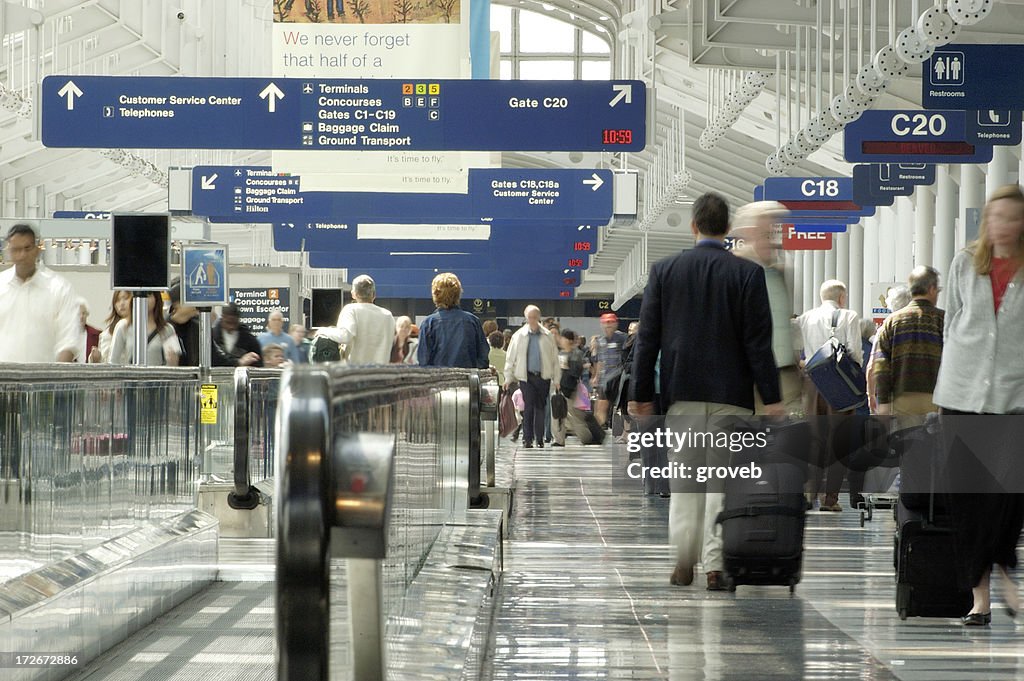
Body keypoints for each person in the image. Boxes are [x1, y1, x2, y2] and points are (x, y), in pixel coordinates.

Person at [628, 192, 782, 591]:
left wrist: (640, 393)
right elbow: (758, 344)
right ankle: (716, 565)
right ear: (728, 229)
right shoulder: (747, 275)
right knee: (723, 485)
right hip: (733, 397)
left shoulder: (665, 271)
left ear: (694, 226)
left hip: (684, 396)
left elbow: (648, 340)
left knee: (684, 481)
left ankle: (682, 560)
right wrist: (773, 396)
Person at [932, 184, 1024, 627]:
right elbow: (952, 322)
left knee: (1008, 497)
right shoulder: (965, 263)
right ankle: (980, 597)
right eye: (995, 216)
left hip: (1015, 396)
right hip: (963, 394)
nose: (1001, 225)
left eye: (1010, 217)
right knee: (970, 501)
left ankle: (1006, 568)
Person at [796, 279, 865, 512]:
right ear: (842, 298)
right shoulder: (849, 316)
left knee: (815, 439)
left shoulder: (805, 318)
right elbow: (855, 352)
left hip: (812, 383)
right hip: (840, 383)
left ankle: (809, 494)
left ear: (820, 296)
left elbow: (798, 354)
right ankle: (830, 499)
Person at [731, 200, 803, 415]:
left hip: (785, 377)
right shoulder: (735, 268)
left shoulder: (781, 270)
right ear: (747, 231)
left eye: (775, 226)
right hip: (747, 377)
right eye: (766, 228)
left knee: (787, 444)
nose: (773, 233)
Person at [0, 223, 80, 363]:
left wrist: (55, 378)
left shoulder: (59, 288)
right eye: (16, 249)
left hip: (44, 381)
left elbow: (69, 341)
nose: (22, 255)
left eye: (27, 248)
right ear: (9, 252)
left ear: (37, 249)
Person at [504, 305, 561, 449]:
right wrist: (508, 377)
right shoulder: (519, 336)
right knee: (528, 406)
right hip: (526, 376)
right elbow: (510, 358)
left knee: (540, 407)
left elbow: (554, 359)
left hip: (543, 376)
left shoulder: (547, 336)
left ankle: (539, 438)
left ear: (539, 318)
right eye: (530, 317)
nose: (532, 320)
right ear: (526, 318)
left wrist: (557, 379)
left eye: (535, 317)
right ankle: (527, 438)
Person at [418, 273, 489, 369]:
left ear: (435, 294)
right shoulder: (473, 322)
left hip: (439, 381)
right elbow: (483, 359)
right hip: (467, 381)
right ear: (458, 293)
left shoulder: (428, 324)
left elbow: (423, 362)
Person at [334, 275, 395, 365]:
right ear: (374, 295)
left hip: (355, 373)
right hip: (381, 373)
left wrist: (322, 331)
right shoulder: (388, 316)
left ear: (354, 294)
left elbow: (345, 336)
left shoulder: (351, 310)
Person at [109, 291, 181, 366]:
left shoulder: (168, 329)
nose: (144, 299)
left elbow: (174, 364)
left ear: (156, 298)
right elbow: (113, 360)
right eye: (139, 295)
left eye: (149, 294)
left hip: (157, 376)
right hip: (130, 376)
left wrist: (172, 361)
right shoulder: (123, 326)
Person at [592, 313, 627, 428]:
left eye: (611, 322)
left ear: (616, 324)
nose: (608, 325)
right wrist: (596, 376)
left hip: (618, 378)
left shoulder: (622, 339)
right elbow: (600, 360)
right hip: (605, 380)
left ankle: (625, 432)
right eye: (606, 323)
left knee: (622, 407)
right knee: (600, 406)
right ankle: (597, 432)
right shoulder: (600, 341)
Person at [552, 329, 586, 447]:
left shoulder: (576, 354)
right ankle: (559, 440)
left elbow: (577, 372)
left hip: (570, 388)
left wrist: (567, 367)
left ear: (569, 340)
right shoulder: (560, 353)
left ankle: (586, 437)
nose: (561, 340)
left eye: (563, 338)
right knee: (558, 414)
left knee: (574, 416)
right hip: (559, 387)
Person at [212, 303, 263, 367]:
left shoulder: (250, 340)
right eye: (228, 322)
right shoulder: (211, 337)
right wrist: (239, 362)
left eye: (234, 323)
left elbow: (258, 366)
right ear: (222, 317)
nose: (231, 327)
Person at [91, 291, 132, 364]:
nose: (121, 304)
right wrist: (95, 359)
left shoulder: (141, 328)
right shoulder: (107, 334)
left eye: (125, 298)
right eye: (118, 300)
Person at [168, 280, 201, 367]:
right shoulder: (165, 329)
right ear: (178, 304)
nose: (196, 303)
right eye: (191, 299)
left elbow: (215, 356)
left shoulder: (198, 328)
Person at [75, 299, 101, 363]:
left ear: (87, 314)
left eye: (83, 313)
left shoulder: (97, 334)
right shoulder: (65, 335)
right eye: (78, 314)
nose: (81, 317)